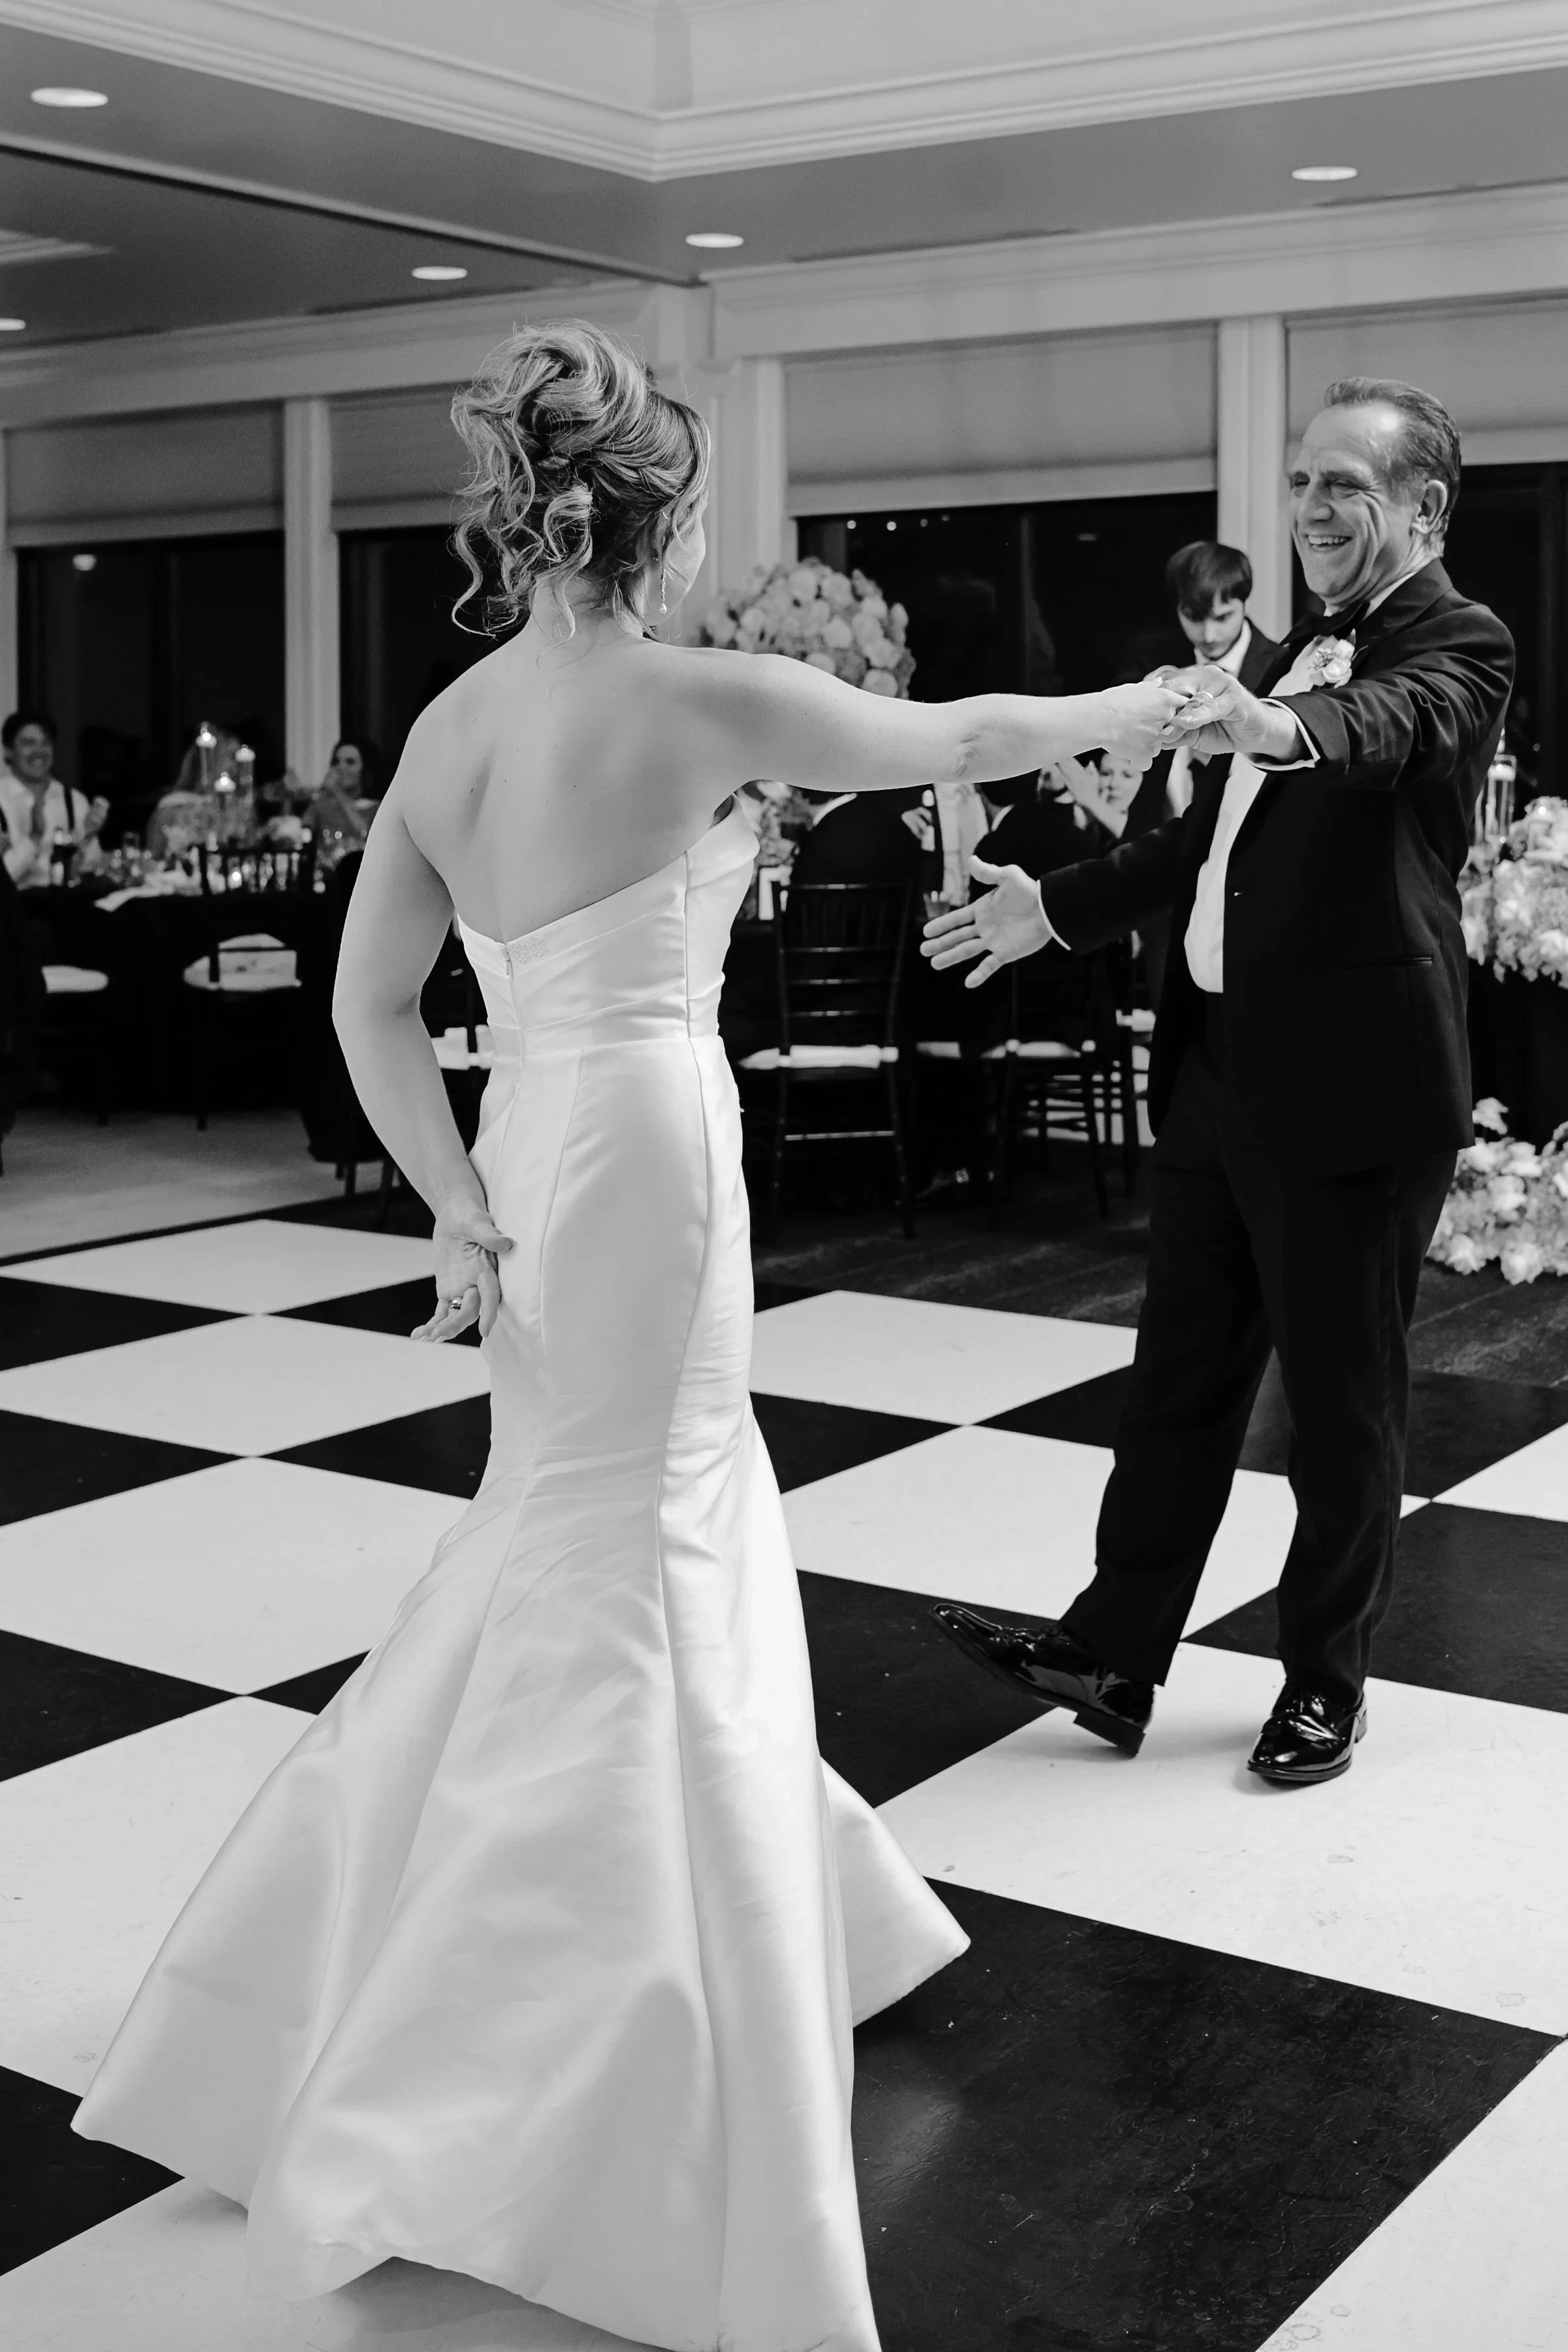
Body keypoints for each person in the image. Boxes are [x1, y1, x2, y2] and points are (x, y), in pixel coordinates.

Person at [73, 319, 1183, 2349]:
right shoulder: (694, 694)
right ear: (656, 529)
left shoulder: (448, 728)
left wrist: (460, 1202)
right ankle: (601, 2012)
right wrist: (1157, 696)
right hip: (657, 1147)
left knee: (565, 1521)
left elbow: (366, 1012)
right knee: (653, 1523)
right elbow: (955, 741)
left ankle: (524, 1944)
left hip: (531, 1140)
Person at [924, 375, 1513, 1789]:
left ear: (1423, 511)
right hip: (1221, 1074)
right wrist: (1052, 907)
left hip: (1354, 1090)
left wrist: (1276, 725)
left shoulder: (1456, 644)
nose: (1309, 508)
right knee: (1178, 1387)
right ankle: (1114, 1653)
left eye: (1343, 489)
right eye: (1300, 482)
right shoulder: (1303, 644)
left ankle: (1326, 1685)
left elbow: (1392, 729)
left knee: (1341, 1404)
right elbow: (1209, 855)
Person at [1122, 544, 1281, 998]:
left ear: (1244, 604)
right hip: (1162, 872)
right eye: (1194, 617)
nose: (1209, 634)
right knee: (1167, 1025)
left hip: (1249, 876)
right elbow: (1135, 776)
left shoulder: (1278, 668)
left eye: (1223, 617)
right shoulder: (1151, 661)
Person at [0, 710, 108, 887]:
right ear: (9, 751)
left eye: (46, 743)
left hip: (66, 907)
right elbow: (4, 878)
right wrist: (34, 838)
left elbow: (93, 869)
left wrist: (87, 836)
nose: (39, 752)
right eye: (29, 743)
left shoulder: (73, 799)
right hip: (15, 910)